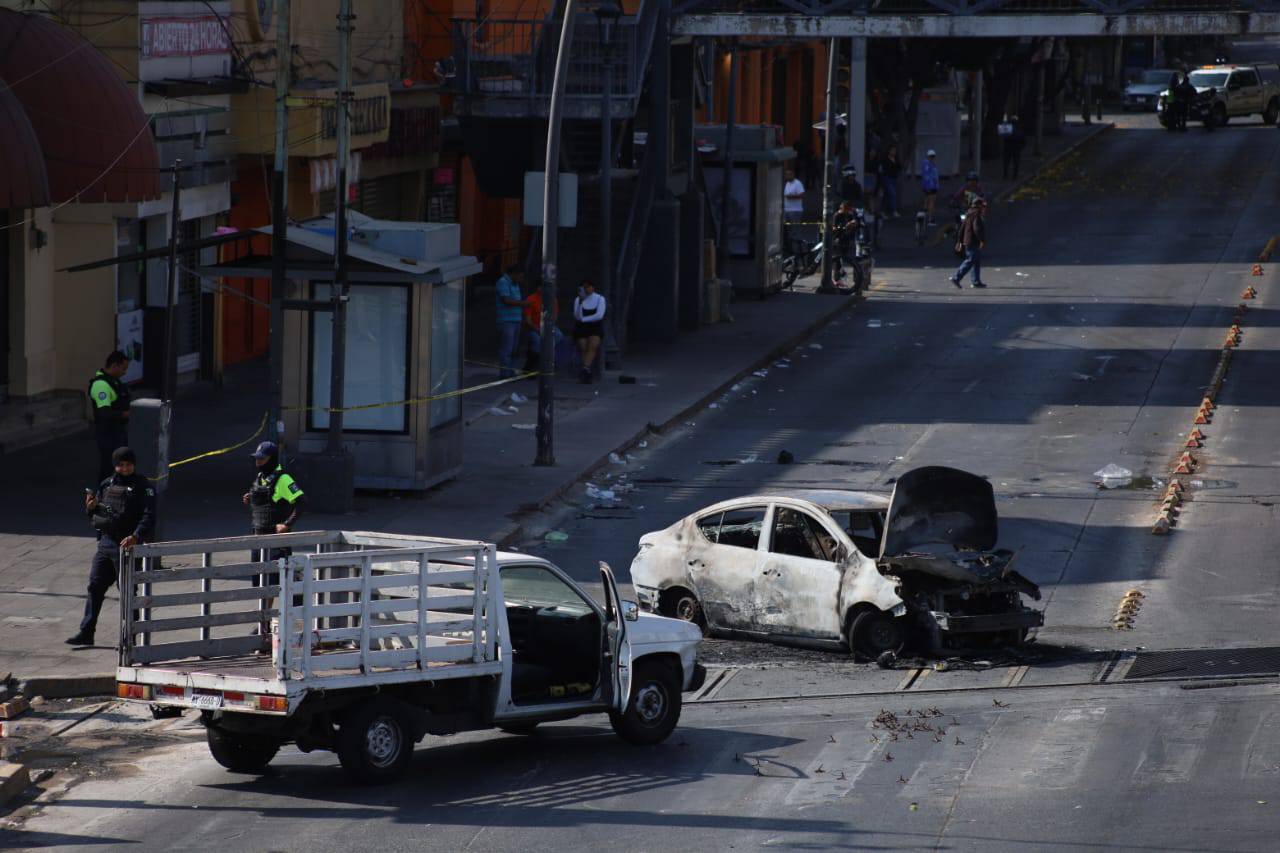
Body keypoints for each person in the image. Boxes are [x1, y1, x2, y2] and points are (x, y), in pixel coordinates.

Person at [66, 446, 155, 646]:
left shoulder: (143, 486)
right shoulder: (107, 484)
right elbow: (98, 515)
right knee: (95, 587)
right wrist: (90, 508)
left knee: (127, 592)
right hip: (106, 544)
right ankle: (86, 632)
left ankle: (130, 638)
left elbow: (149, 516)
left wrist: (136, 536)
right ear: (115, 466)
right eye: (120, 465)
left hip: (127, 546)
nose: (124, 469)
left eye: (128, 465)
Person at [243, 441, 305, 618]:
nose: (258, 463)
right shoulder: (261, 477)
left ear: (272, 459)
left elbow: (302, 502)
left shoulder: (284, 479)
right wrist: (250, 497)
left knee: (275, 583)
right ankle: (266, 620)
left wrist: (287, 524)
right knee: (261, 583)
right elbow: (264, 500)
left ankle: (270, 620)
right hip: (258, 537)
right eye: (257, 459)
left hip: (276, 542)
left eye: (262, 459)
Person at [89, 351, 131, 482]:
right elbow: (104, 413)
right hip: (108, 433)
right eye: (123, 369)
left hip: (118, 431)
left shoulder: (114, 382)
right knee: (109, 466)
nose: (125, 372)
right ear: (114, 365)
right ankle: (103, 496)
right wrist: (126, 414)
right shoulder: (101, 385)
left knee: (120, 466)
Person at [495, 265, 528, 378]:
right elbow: (506, 300)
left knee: (514, 349)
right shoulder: (503, 282)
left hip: (516, 320)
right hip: (506, 321)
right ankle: (505, 374)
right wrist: (523, 304)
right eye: (520, 276)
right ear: (514, 274)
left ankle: (511, 372)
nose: (521, 279)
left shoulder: (516, 284)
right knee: (507, 349)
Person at [573, 279, 606, 383]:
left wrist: (584, 319)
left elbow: (599, 315)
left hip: (595, 327)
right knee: (583, 346)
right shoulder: (578, 299)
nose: (587, 289)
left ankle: (585, 369)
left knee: (592, 345)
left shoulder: (600, 298)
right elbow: (577, 316)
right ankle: (587, 371)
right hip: (581, 327)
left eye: (589, 286)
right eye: (585, 287)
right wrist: (580, 303)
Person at [523, 286, 563, 372]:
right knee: (537, 341)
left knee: (558, 335)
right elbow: (528, 320)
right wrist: (537, 329)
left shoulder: (553, 299)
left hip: (548, 326)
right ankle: (529, 366)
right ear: (538, 288)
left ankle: (546, 360)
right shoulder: (531, 299)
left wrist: (549, 327)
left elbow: (555, 316)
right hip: (534, 327)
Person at [949, 198, 987, 289]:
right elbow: (977, 229)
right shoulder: (976, 214)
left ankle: (976, 281)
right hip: (973, 241)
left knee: (976, 261)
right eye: (983, 206)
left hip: (968, 241)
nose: (984, 208)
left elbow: (962, 229)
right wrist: (982, 240)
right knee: (971, 260)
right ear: (979, 206)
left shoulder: (969, 213)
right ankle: (956, 277)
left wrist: (959, 241)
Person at [880, 145, 902, 219]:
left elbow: (899, 167)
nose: (893, 152)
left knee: (887, 195)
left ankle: (882, 211)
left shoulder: (896, 159)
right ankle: (894, 211)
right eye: (892, 150)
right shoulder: (885, 159)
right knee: (892, 194)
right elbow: (883, 168)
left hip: (894, 178)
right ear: (889, 151)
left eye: (894, 150)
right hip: (887, 178)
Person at [919, 149, 940, 226]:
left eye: (933, 156)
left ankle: (924, 219)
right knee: (931, 202)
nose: (932, 157)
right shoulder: (928, 165)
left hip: (928, 186)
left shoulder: (929, 164)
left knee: (927, 201)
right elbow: (928, 176)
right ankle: (930, 219)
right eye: (931, 156)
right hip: (931, 186)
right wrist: (931, 186)